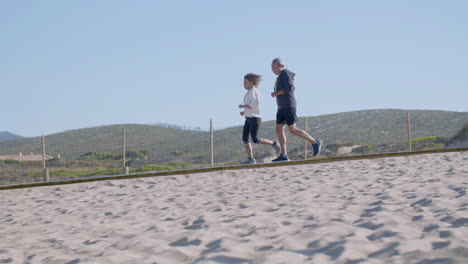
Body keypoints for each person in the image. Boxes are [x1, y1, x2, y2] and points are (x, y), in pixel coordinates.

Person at [270, 58, 322, 162]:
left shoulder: (286, 73)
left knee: (292, 129)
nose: (272, 70)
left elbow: (289, 88)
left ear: (280, 66)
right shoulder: (280, 76)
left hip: (289, 105)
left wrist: (276, 93)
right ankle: (283, 154)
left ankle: (315, 142)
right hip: (281, 107)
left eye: (273, 67)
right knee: (279, 128)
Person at [239, 73, 281, 164]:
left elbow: (254, 104)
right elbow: (251, 106)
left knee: (255, 139)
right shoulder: (250, 92)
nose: (244, 84)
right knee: (245, 138)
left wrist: (243, 106)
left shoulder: (254, 92)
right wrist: (244, 111)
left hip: (255, 118)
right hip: (248, 118)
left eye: (245, 82)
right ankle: (251, 158)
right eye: (243, 82)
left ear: (251, 82)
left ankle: (274, 143)